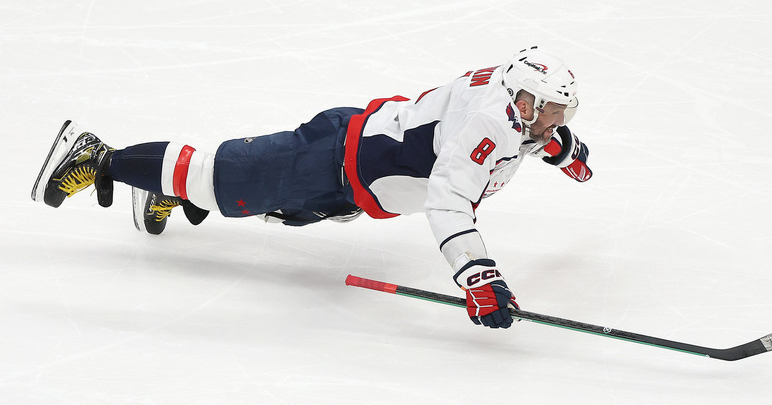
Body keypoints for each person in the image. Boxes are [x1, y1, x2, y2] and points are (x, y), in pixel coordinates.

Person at [31, 47, 592, 330]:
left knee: (271, 210)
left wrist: (556, 146)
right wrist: (480, 279)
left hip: (352, 182)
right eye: (547, 113)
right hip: (333, 159)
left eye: (558, 115)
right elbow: (449, 199)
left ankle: (170, 192)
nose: (552, 122)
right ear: (521, 99)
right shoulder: (490, 126)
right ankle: (98, 156)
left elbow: (522, 136)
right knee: (218, 178)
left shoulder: (514, 105)